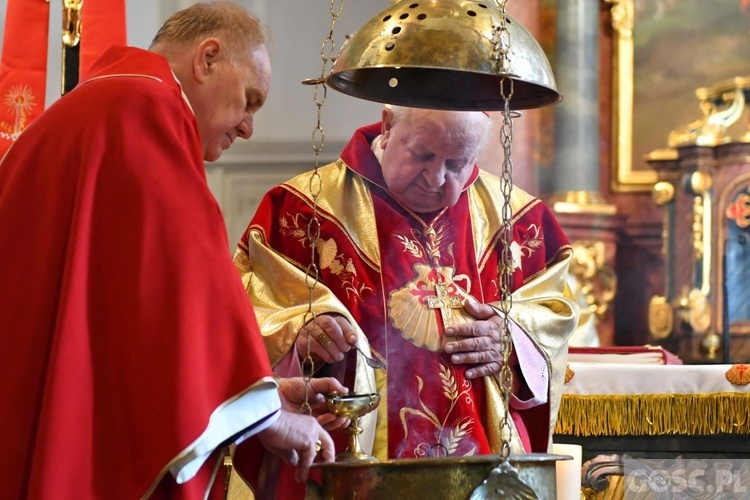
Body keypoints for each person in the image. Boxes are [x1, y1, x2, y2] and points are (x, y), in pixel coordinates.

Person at [0, 2, 345, 499]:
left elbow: (123, 327)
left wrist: (257, 395)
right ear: (207, 59)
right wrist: (264, 417)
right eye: (249, 99)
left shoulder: (95, 108)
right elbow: (182, 291)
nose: (248, 127)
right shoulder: (147, 109)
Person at [234, 105, 581, 470]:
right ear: (387, 127)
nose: (435, 178)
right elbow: (242, 308)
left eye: (456, 164)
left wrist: (513, 337)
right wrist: (296, 335)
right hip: (342, 460)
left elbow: (552, 311)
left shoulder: (516, 218)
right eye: (422, 155)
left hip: (485, 462)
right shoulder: (303, 208)